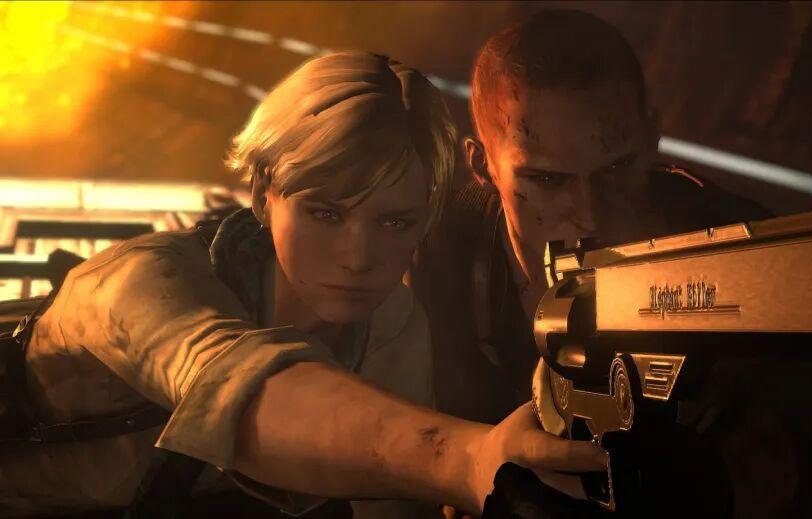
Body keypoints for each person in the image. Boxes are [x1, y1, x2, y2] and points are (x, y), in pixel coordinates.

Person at [0, 51, 604, 518]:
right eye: (325, 213)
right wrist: (467, 459)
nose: (358, 257)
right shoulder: (137, 280)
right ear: (263, 193)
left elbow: (389, 506)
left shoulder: (391, 321)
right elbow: (240, 387)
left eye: (395, 221)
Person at [409, 10, 793, 518]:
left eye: (616, 167)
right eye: (548, 180)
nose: (589, 213)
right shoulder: (443, 252)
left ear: (652, 137)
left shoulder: (734, 247)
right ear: (483, 165)